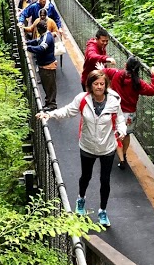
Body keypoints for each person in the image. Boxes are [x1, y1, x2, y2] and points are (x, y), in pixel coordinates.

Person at [36, 69, 126, 227]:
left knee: (105, 180)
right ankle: (81, 199)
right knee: (86, 176)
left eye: (102, 84)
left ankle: (103, 211)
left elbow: (119, 119)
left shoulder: (114, 100)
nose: (99, 87)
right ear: (90, 85)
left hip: (107, 147)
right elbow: (68, 111)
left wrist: (122, 131)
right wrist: (49, 115)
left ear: (106, 86)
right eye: (96, 84)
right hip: (88, 145)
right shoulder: (83, 99)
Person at [100, 56, 154, 170]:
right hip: (129, 114)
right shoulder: (138, 83)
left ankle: (110, 152)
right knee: (125, 134)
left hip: (115, 110)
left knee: (113, 132)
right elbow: (153, 90)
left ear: (126, 65)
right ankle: (124, 155)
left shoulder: (117, 74)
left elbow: (104, 71)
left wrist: (103, 68)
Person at [27, 21, 58, 111]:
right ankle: (48, 102)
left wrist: (28, 48)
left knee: (50, 86)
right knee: (46, 85)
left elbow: (41, 48)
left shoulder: (47, 37)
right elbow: (37, 41)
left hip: (48, 66)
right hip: (44, 65)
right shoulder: (44, 35)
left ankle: (52, 104)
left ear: (40, 29)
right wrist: (27, 43)